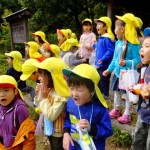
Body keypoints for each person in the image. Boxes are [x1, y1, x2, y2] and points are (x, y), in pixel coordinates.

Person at [62, 64, 113, 150]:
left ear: (92, 91)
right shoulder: (70, 102)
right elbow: (67, 119)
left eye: (79, 89)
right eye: (71, 88)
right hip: (74, 146)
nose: (74, 93)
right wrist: (66, 133)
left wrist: (91, 128)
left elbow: (108, 130)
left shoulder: (100, 109)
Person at [103, 13, 141, 124]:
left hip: (127, 75)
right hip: (118, 74)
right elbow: (115, 59)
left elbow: (138, 60)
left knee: (127, 95)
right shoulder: (118, 43)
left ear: (123, 29)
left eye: (115, 28)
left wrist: (127, 62)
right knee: (117, 92)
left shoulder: (134, 45)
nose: (114, 31)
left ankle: (127, 113)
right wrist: (109, 69)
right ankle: (116, 109)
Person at [34, 57, 70, 150]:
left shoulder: (61, 95)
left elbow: (51, 115)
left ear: (52, 76)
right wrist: (38, 94)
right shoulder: (48, 89)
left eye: (42, 75)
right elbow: (38, 105)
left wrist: (44, 98)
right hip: (49, 128)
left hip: (58, 133)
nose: (39, 78)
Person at [0, 75, 35, 149]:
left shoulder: (20, 108)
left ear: (15, 91)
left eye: (6, 90)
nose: (2, 95)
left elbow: (28, 134)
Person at [131, 30, 150, 150]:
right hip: (144, 113)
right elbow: (144, 87)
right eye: (142, 46)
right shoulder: (146, 68)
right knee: (137, 141)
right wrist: (135, 88)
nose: (141, 49)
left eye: (147, 46)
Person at [94, 16, 115, 99]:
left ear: (106, 26)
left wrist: (103, 59)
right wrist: (94, 45)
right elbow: (100, 48)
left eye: (99, 24)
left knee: (104, 79)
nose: (97, 26)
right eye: (97, 24)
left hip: (105, 64)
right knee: (99, 79)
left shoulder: (107, 38)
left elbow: (110, 51)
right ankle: (100, 93)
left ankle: (105, 94)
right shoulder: (101, 37)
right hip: (99, 64)